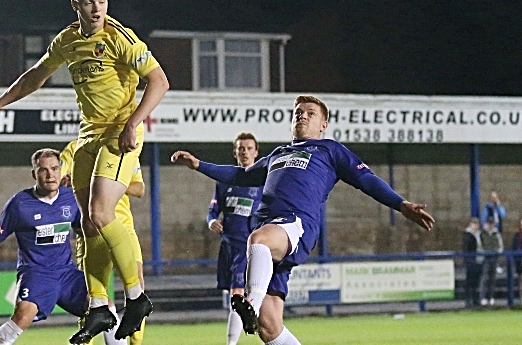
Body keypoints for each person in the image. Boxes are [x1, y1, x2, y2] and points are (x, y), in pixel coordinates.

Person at [0, 0, 169, 343]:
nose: (97, 8)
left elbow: (159, 81)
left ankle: (136, 297)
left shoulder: (120, 38)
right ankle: (99, 305)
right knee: (87, 223)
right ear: (76, 5)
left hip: (120, 129)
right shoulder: (67, 41)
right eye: (89, 2)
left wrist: (133, 122)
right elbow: (37, 75)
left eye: (102, 1)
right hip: (89, 136)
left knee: (101, 213)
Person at [171, 95, 435, 345]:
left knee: (258, 240)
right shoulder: (277, 155)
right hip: (270, 235)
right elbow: (240, 175)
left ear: (324, 124)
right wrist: (199, 165)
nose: (303, 116)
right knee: (269, 328)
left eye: (310, 113)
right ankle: (255, 307)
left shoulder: (329, 150)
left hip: (295, 224)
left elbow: (366, 179)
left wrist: (401, 204)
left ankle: (250, 301)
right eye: (298, 113)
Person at [0, 149, 87, 345]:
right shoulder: (19, 204)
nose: (50, 175)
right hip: (36, 273)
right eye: (43, 170)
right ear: (34, 174)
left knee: (104, 308)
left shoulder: (71, 198)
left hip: (66, 273)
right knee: (23, 316)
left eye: (55, 168)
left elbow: (82, 230)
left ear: (61, 171)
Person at [61, 140, 147, 345]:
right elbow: (63, 181)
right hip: (90, 230)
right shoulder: (74, 150)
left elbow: (139, 188)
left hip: (123, 227)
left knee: (137, 287)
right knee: (90, 296)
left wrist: (108, 182)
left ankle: (136, 342)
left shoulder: (125, 148)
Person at [207, 132, 263, 345]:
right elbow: (212, 211)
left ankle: (232, 343)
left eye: (249, 148)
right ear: (235, 152)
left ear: (256, 152)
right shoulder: (224, 182)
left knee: (238, 294)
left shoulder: (263, 181)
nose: (245, 152)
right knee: (240, 296)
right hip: (228, 244)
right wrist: (211, 221)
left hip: (250, 245)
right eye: (241, 148)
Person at [479, 216, 503, 306]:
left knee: (492, 279)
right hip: (485, 258)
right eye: (489, 223)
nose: (490, 225)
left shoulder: (496, 233)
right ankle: (483, 298)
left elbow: (500, 246)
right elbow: (480, 245)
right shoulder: (482, 233)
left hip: (494, 258)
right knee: (484, 278)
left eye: (492, 223)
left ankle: (491, 297)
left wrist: (498, 254)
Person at [462, 218, 483, 307]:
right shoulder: (467, 235)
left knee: (476, 282)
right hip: (471, 261)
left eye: (477, 224)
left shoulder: (479, 234)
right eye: (474, 224)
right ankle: (468, 301)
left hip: (479, 260)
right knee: (469, 282)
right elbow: (466, 248)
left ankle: (475, 300)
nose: (475, 226)